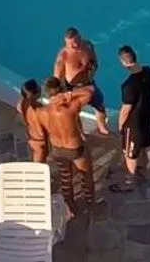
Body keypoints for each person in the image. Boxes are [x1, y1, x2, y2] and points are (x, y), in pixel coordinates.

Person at [37, 77, 98, 212]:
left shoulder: (41, 112)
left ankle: (70, 206)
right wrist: (68, 95)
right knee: (86, 176)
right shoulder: (71, 107)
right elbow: (90, 92)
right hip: (75, 147)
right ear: (61, 90)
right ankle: (90, 204)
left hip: (57, 148)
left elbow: (43, 134)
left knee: (66, 178)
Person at [112, 46, 150, 192]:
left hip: (135, 121)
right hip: (149, 113)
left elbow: (126, 108)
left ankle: (130, 181)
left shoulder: (128, 84)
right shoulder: (148, 71)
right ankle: (145, 170)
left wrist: (120, 125)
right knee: (147, 142)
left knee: (130, 151)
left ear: (123, 62)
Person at [54, 27, 111, 135]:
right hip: (72, 87)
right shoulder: (63, 57)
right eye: (71, 44)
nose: (75, 45)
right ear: (66, 43)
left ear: (80, 37)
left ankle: (102, 127)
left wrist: (93, 68)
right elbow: (56, 78)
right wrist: (63, 93)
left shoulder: (88, 45)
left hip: (88, 83)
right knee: (74, 111)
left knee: (99, 104)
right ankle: (79, 132)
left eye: (77, 41)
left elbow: (94, 60)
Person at [17, 79, 48, 163]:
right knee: (39, 163)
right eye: (38, 88)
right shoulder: (38, 109)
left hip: (31, 136)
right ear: (33, 94)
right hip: (39, 140)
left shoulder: (21, 104)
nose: (40, 88)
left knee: (37, 157)